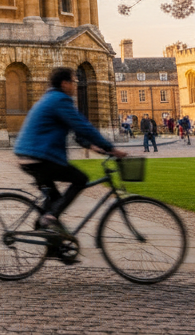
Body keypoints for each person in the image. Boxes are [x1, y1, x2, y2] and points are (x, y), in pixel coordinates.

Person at [14, 67, 126, 262]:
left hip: (28, 156)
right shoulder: (60, 100)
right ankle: (49, 220)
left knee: (54, 201)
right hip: (39, 157)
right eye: (74, 82)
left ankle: (54, 246)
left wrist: (93, 146)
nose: (75, 85)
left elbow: (74, 130)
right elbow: (82, 125)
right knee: (80, 179)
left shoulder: (49, 98)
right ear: (65, 83)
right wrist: (110, 147)